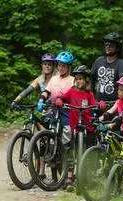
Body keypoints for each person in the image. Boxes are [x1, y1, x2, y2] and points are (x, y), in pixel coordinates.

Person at [55, 65, 97, 191]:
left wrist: (99, 105)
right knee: (71, 151)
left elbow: (95, 105)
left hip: (86, 126)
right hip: (74, 126)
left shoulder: (89, 94)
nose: (79, 81)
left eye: (81, 79)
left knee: (87, 151)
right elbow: (62, 98)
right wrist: (59, 100)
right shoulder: (72, 91)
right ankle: (68, 177)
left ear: (86, 81)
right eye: (77, 79)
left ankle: (87, 177)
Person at [36, 51, 75, 179]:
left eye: (63, 66)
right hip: (53, 111)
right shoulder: (53, 78)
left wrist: (63, 100)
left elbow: (72, 95)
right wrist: (41, 99)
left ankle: (69, 176)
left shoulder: (72, 80)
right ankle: (53, 174)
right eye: (59, 65)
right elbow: (47, 91)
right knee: (50, 139)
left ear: (69, 67)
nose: (60, 68)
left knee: (67, 143)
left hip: (66, 112)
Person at [90, 32, 123, 103]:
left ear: (117, 48)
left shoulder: (121, 64)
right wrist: (91, 95)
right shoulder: (99, 61)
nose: (108, 47)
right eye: (106, 45)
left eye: (111, 45)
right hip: (98, 103)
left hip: (114, 104)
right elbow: (91, 78)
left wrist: (120, 102)